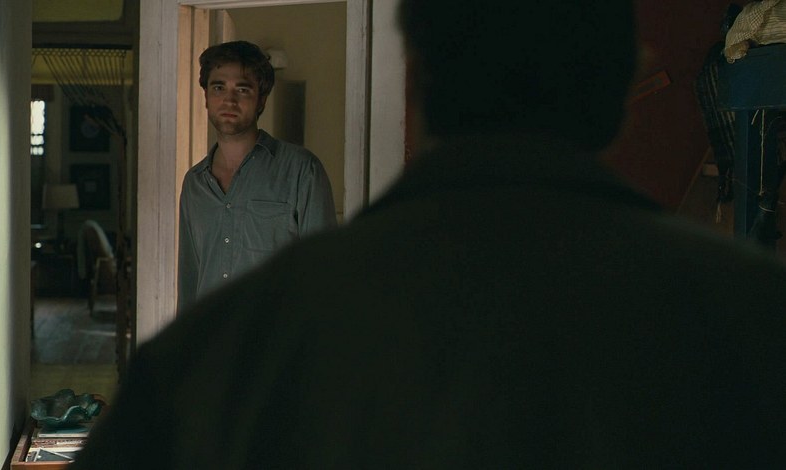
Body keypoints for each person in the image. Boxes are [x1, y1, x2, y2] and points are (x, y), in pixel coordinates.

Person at [73, 1, 786, 467]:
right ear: (620, 85)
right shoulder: (748, 312)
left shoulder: (224, 350)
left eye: (242, 87)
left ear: (423, 84)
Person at [176, 40, 336, 311]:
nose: (229, 100)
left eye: (242, 89)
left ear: (261, 99)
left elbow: (323, 276)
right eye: (218, 88)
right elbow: (189, 281)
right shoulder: (195, 183)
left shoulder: (301, 171)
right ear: (206, 97)